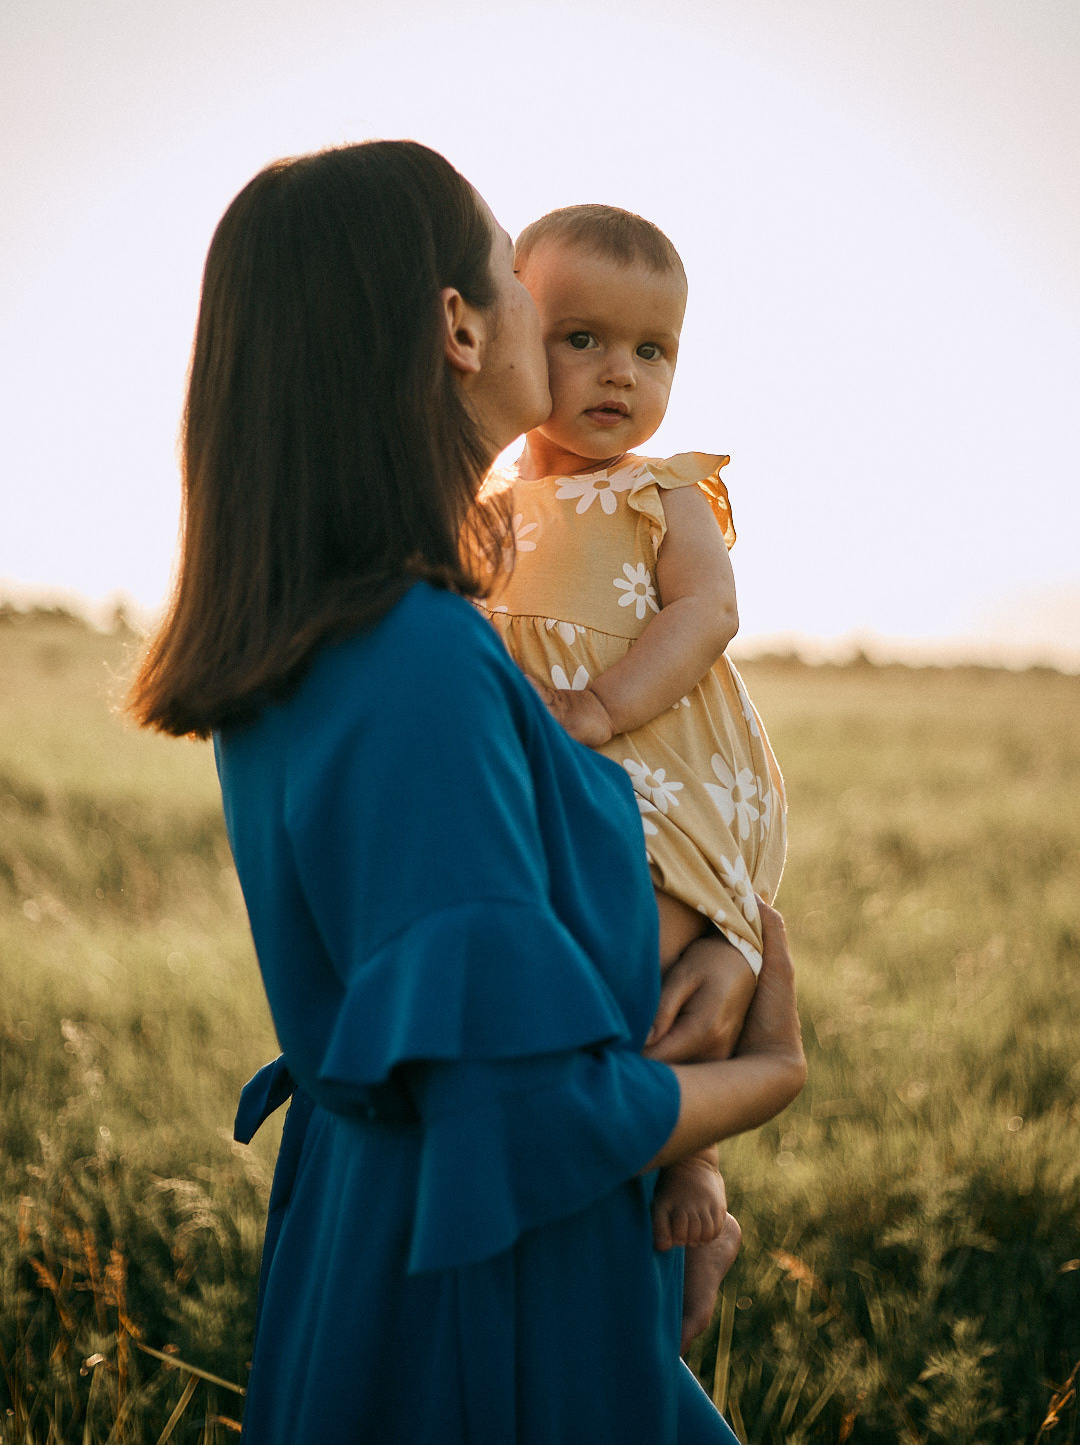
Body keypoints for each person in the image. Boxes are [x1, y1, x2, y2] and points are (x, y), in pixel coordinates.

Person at [129, 140, 805, 1444]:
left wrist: (702, 949)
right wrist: (762, 1073)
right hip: (487, 1282)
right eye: (516, 278)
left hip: (383, 1233)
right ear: (459, 323)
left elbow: (475, 964)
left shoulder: (326, 632)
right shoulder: (426, 657)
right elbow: (536, 1115)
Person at [481, 203, 787, 1264]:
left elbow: (709, 611)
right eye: (585, 340)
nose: (622, 374)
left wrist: (607, 704)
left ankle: (693, 1161)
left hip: (654, 764)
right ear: (511, 329)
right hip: (560, 774)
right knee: (587, 979)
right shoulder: (490, 501)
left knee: (641, 970)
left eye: (651, 350)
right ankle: (636, 1172)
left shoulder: (661, 488)